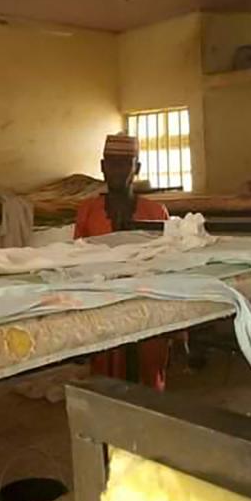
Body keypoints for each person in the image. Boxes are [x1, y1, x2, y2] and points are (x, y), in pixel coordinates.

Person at [74, 133, 173, 390]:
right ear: (102, 167)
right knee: (107, 380)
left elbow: (169, 264)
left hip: (147, 302)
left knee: (149, 376)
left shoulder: (156, 212)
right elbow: (76, 261)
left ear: (136, 168)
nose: (116, 171)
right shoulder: (87, 210)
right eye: (111, 163)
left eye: (124, 164)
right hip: (104, 302)